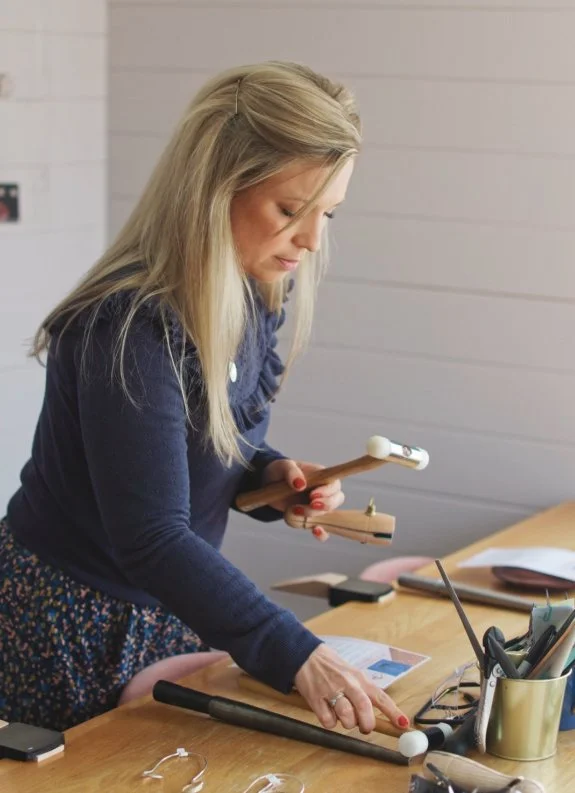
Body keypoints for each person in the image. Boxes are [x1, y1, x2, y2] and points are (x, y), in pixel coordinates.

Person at [0, 61, 409, 735]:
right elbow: (153, 534)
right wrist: (296, 651)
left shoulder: (251, 294)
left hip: (160, 606)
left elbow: (208, 438)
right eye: (290, 209)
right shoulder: (126, 327)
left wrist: (267, 475)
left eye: (327, 213)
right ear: (215, 186)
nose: (311, 239)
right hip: (65, 620)